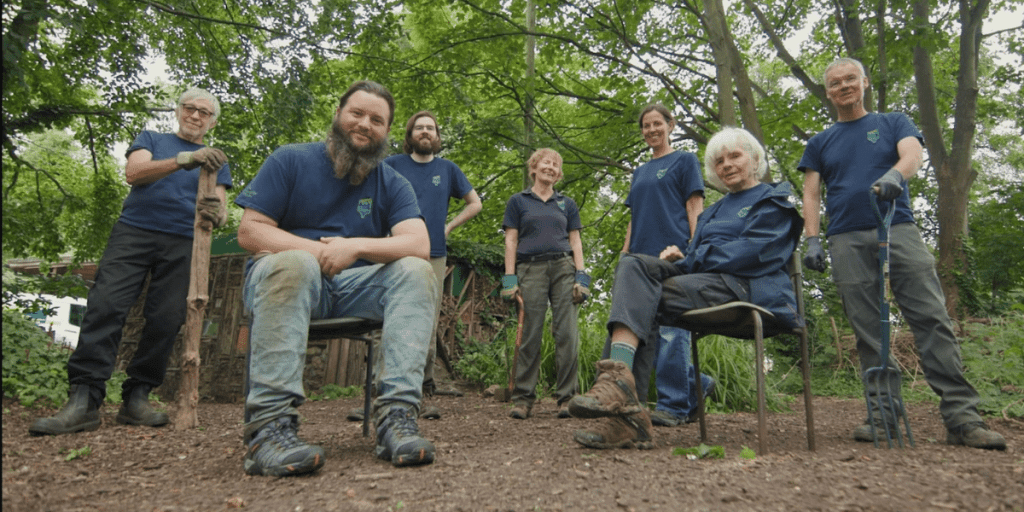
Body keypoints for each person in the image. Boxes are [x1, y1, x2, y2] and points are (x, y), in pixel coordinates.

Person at [799, 57, 1006, 450]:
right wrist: (812, 239)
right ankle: (883, 417)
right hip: (844, 237)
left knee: (932, 318)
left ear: (864, 82)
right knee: (867, 332)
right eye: (835, 83)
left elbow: (912, 154)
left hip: (898, 227)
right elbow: (811, 192)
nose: (843, 86)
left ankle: (962, 418)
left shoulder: (892, 122)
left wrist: (896, 175)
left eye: (850, 79)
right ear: (828, 92)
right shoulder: (820, 142)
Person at [235, 80, 438, 477]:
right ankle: (269, 430)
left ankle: (396, 419)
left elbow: (419, 243)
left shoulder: (392, 182)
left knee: (416, 271)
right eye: (357, 113)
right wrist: (318, 253)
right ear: (338, 115)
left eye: (377, 120)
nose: (365, 124)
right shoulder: (290, 160)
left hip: (350, 288)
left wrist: (356, 247)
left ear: (386, 132)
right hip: (285, 282)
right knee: (296, 263)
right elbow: (251, 230)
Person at [569, 127, 802, 449]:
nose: (727, 165)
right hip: (707, 281)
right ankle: (619, 388)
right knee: (632, 265)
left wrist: (696, 257)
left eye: (735, 156)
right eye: (719, 161)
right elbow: (697, 259)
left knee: (639, 299)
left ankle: (621, 403)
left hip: (746, 288)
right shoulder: (713, 213)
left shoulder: (774, 198)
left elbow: (757, 252)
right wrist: (683, 258)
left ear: (756, 158)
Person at [29, 88, 232, 437]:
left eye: (204, 112)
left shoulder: (217, 160)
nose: (195, 115)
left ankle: (137, 397)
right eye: (190, 108)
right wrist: (185, 159)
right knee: (105, 306)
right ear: (178, 110)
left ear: (212, 122)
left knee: (166, 319)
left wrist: (217, 215)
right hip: (134, 232)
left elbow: (222, 209)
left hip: (185, 240)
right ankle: (84, 399)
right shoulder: (152, 138)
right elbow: (134, 173)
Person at [607, 104, 714, 428]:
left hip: (673, 255)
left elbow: (695, 205)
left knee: (672, 331)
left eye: (657, 124)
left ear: (670, 125)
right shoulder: (639, 172)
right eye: (646, 125)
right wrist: (625, 256)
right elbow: (634, 217)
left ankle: (673, 406)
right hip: (639, 260)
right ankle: (698, 384)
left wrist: (694, 251)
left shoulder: (684, 160)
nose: (651, 130)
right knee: (645, 334)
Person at [382, 111, 481, 413]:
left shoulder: (448, 169)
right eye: (419, 127)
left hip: (433, 253)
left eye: (431, 128)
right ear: (410, 134)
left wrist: (448, 227)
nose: (425, 132)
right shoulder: (391, 165)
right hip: (393, 251)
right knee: (385, 318)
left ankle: (421, 389)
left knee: (425, 320)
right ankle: (381, 392)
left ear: (437, 137)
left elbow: (475, 203)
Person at [501, 148, 590, 420]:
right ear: (534, 168)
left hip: (563, 268)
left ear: (559, 173)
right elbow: (511, 240)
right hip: (530, 268)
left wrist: (581, 277)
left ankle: (566, 399)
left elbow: (575, 241)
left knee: (567, 334)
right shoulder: (519, 201)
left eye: (555, 165)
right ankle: (523, 399)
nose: (550, 167)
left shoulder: (567, 204)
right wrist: (509, 278)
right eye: (545, 163)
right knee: (530, 333)